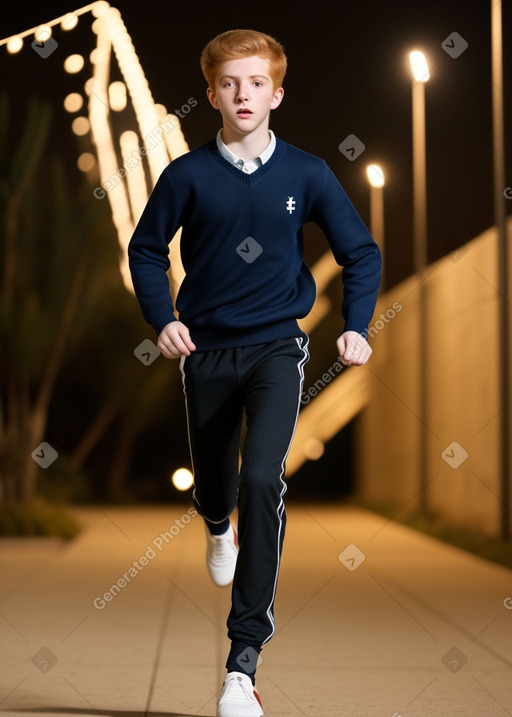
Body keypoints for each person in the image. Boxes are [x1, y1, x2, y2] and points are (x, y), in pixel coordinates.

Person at [128, 28, 381, 717]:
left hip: (277, 346)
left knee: (262, 477)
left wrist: (355, 325)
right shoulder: (186, 177)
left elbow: (360, 252)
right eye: (229, 84)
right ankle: (217, 524)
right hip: (204, 350)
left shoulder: (308, 173)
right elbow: (147, 250)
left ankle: (243, 666)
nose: (243, 95)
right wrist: (162, 318)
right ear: (211, 93)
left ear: (276, 91)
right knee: (216, 482)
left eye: (256, 83)